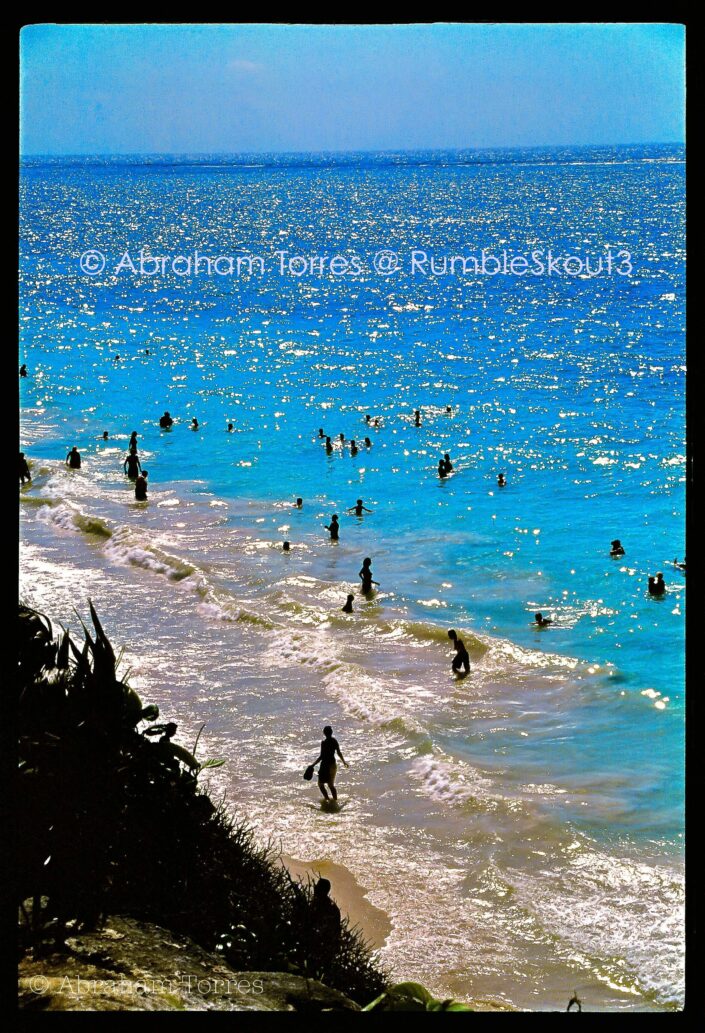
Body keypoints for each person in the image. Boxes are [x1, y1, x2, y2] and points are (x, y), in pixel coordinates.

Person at [311, 726, 348, 802]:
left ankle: (327, 798)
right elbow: (339, 753)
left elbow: (321, 756)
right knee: (331, 785)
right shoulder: (334, 741)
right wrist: (344, 762)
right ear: (332, 732)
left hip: (325, 766)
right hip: (333, 765)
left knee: (320, 784)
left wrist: (313, 765)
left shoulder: (324, 743)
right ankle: (335, 801)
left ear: (324, 733)